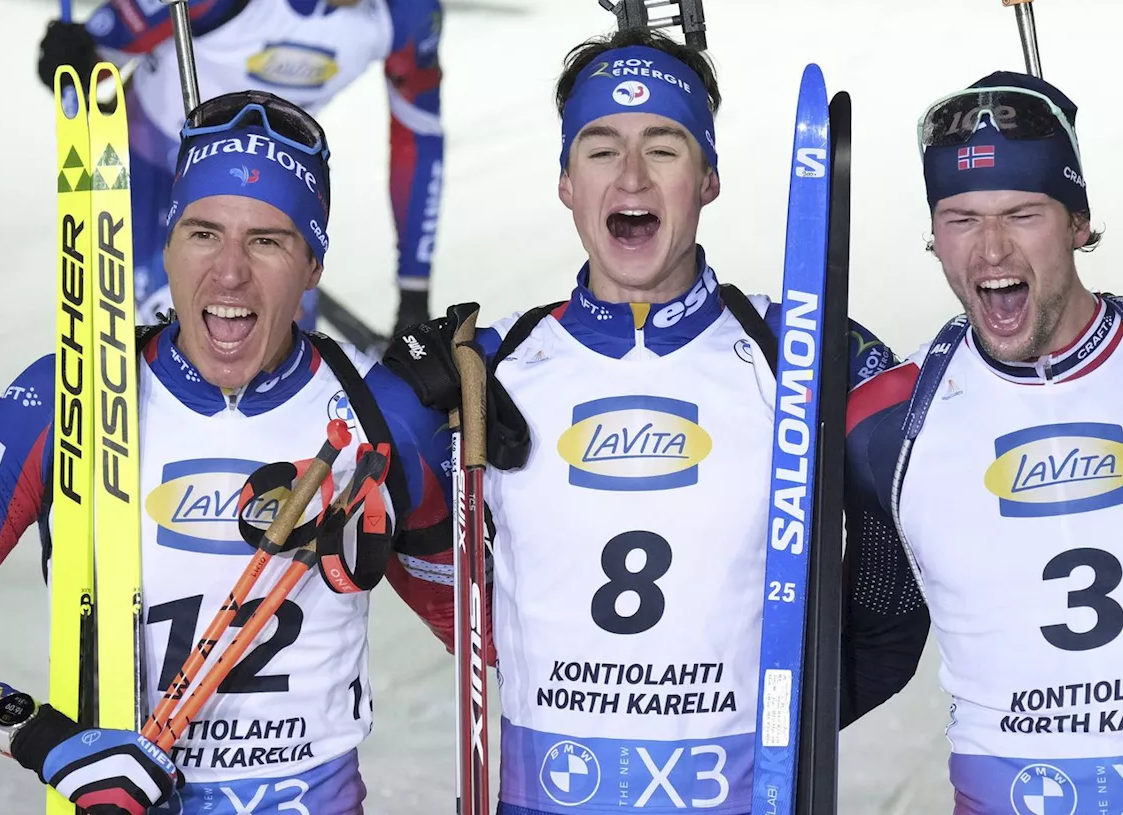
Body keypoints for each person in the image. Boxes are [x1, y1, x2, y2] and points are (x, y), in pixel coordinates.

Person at [383, 27, 930, 815]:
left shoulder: (799, 350)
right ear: (567, 181)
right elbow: (364, 497)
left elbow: (927, 480)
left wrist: (802, 701)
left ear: (707, 177)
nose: (630, 176)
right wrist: (479, 627)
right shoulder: (486, 368)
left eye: (664, 148)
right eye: (600, 149)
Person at [0, 91, 452, 814]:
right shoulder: (62, 401)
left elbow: (488, 628)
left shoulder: (379, 411)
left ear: (313, 263)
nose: (229, 273)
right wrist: (36, 735)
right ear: (165, 244)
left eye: (267, 239)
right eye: (203, 232)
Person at [845, 71, 1123, 813]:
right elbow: (876, 640)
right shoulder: (886, 423)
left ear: (1078, 222)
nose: (990, 250)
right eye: (960, 218)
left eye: (1021, 213)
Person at [36, 0, 445, 338]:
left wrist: (414, 291)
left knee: (279, 364)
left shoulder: (408, 15)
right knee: (170, 347)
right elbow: (90, 58)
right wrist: (69, 59)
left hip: (276, 190)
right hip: (154, 173)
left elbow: (419, 141)